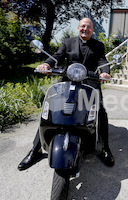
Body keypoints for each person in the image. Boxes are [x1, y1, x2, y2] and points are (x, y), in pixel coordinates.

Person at [18, 18, 114, 170]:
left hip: (89, 81)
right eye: (83, 26)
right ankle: (35, 149)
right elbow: (57, 56)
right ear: (78, 28)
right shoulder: (68, 42)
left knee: (100, 111)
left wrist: (105, 73)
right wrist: (47, 64)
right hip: (67, 81)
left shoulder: (98, 45)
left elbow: (102, 61)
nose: (85, 29)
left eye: (89, 27)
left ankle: (105, 148)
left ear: (92, 31)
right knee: (49, 109)